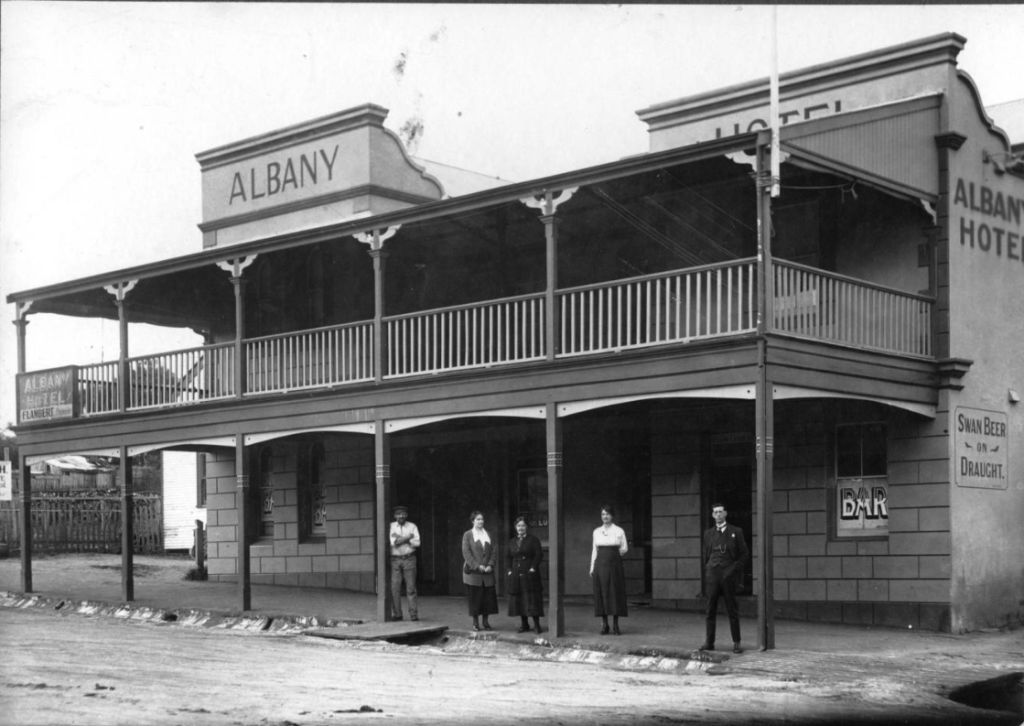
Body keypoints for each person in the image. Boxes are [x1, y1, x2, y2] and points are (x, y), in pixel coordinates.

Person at [700, 502, 749, 654]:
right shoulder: (708, 534)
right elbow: (705, 554)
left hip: (728, 574)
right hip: (713, 574)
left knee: (732, 609)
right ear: (712, 515)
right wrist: (709, 568)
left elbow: (744, 554)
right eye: (716, 512)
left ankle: (736, 642)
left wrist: (734, 568)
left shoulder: (736, 531)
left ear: (725, 513)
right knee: (710, 609)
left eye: (721, 511)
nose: (718, 514)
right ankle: (709, 642)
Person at [589, 504, 628, 635]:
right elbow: (594, 550)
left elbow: (624, 548)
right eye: (603, 514)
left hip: (614, 564)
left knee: (615, 593)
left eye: (607, 514)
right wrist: (592, 567)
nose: (605, 516)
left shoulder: (619, 531)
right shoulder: (596, 531)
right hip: (600, 564)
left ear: (612, 516)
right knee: (602, 593)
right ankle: (605, 624)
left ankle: (616, 625)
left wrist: (613, 555)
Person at [506, 516, 544, 634]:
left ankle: (537, 625)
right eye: (518, 526)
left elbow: (538, 555)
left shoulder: (533, 540)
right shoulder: (512, 541)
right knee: (520, 599)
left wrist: (533, 568)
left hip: (529, 573)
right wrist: (509, 570)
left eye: (523, 525)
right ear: (515, 527)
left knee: (532, 599)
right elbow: (508, 557)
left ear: (526, 527)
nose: (520, 528)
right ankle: (524, 624)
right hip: (516, 574)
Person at [461, 510, 498, 631]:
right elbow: (466, 553)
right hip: (474, 573)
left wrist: (490, 565)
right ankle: (475, 623)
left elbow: (494, 551)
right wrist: (477, 566)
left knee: (488, 598)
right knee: (475, 598)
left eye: (482, 519)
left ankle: (486, 622)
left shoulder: (488, 534)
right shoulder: (468, 535)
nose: (480, 521)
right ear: (473, 521)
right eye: (478, 519)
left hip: (487, 572)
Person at [389, 505, 420, 621]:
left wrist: (400, 538)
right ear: (394, 516)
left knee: (411, 588)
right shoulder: (391, 526)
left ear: (406, 515)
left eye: (403, 514)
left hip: (409, 558)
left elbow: (417, 543)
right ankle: (397, 614)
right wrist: (408, 537)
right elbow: (394, 542)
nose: (401, 516)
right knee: (395, 587)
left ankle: (413, 614)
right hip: (395, 559)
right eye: (398, 514)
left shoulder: (412, 526)